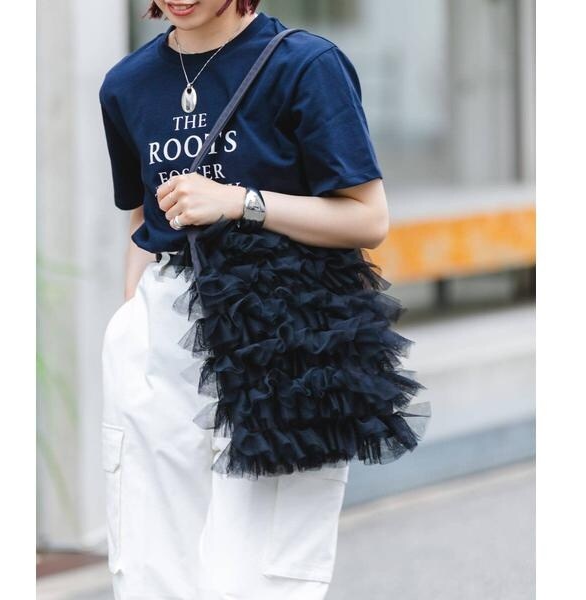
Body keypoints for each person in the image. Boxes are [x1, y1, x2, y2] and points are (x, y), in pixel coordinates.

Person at [98, 1, 389, 598]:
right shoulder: (127, 84)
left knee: (262, 570)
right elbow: (144, 218)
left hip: (282, 331)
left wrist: (240, 202)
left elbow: (368, 218)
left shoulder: (306, 65)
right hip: (162, 332)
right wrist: (133, 315)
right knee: (152, 562)